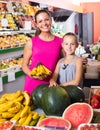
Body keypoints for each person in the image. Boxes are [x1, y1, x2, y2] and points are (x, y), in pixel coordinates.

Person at [22, 9, 64, 95]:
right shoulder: (31, 42)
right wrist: (33, 74)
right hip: (33, 85)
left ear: (51, 20)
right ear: (37, 25)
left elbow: (65, 61)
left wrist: (78, 60)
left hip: (52, 84)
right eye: (40, 21)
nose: (44, 23)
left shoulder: (60, 41)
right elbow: (24, 65)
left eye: (46, 19)